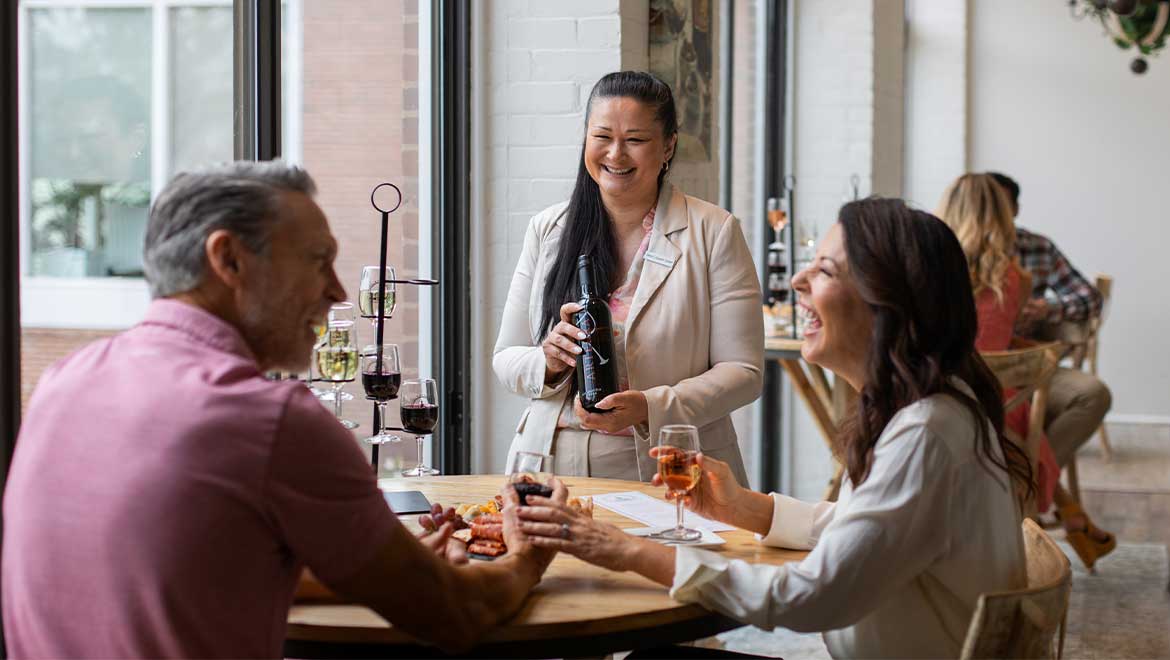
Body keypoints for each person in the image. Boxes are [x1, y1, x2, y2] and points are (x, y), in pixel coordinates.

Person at [2, 161, 556, 658]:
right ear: (229, 259)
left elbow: (188, 573)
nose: (339, 292)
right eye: (319, 262)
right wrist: (527, 556)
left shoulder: (63, 380)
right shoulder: (270, 419)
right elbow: (455, 615)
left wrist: (388, 563)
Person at [517, 198, 1034, 658]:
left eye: (825, 270)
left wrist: (625, 549)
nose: (797, 281)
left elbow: (812, 596)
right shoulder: (935, 409)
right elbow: (867, 529)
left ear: (886, 304)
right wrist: (747, 508)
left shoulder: (926, 432)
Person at [493, 71, 762, 484]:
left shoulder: (714, 231)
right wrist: (547, 361)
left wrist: (651, 406)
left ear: (669, 145)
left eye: (635, 140)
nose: (616, 155)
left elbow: (743, 373)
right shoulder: (549, 229)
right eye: (602, 136)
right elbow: (506, 357)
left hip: (667, 466)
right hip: (549, 464)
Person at [938, 173, 1115, 569]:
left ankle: (1022, 485)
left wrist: (1046, 313)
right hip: (1005, 389)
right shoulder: (1016, 276)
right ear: (1005, 215)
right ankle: (1043, 495)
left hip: (950, 391)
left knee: (1081, 397)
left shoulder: (931, 270)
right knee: (1023, 430)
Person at [988, 172, 1112, 465]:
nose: (992, 213)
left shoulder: (1037, 248)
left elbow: (1091, 298)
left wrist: (1047, 308)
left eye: (1001, 205)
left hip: (1029, 366)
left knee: (1093, 395)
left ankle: (1030, 478)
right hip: (974, 370)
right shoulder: (951, 250)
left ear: (1015, 209)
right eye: (985, 203)